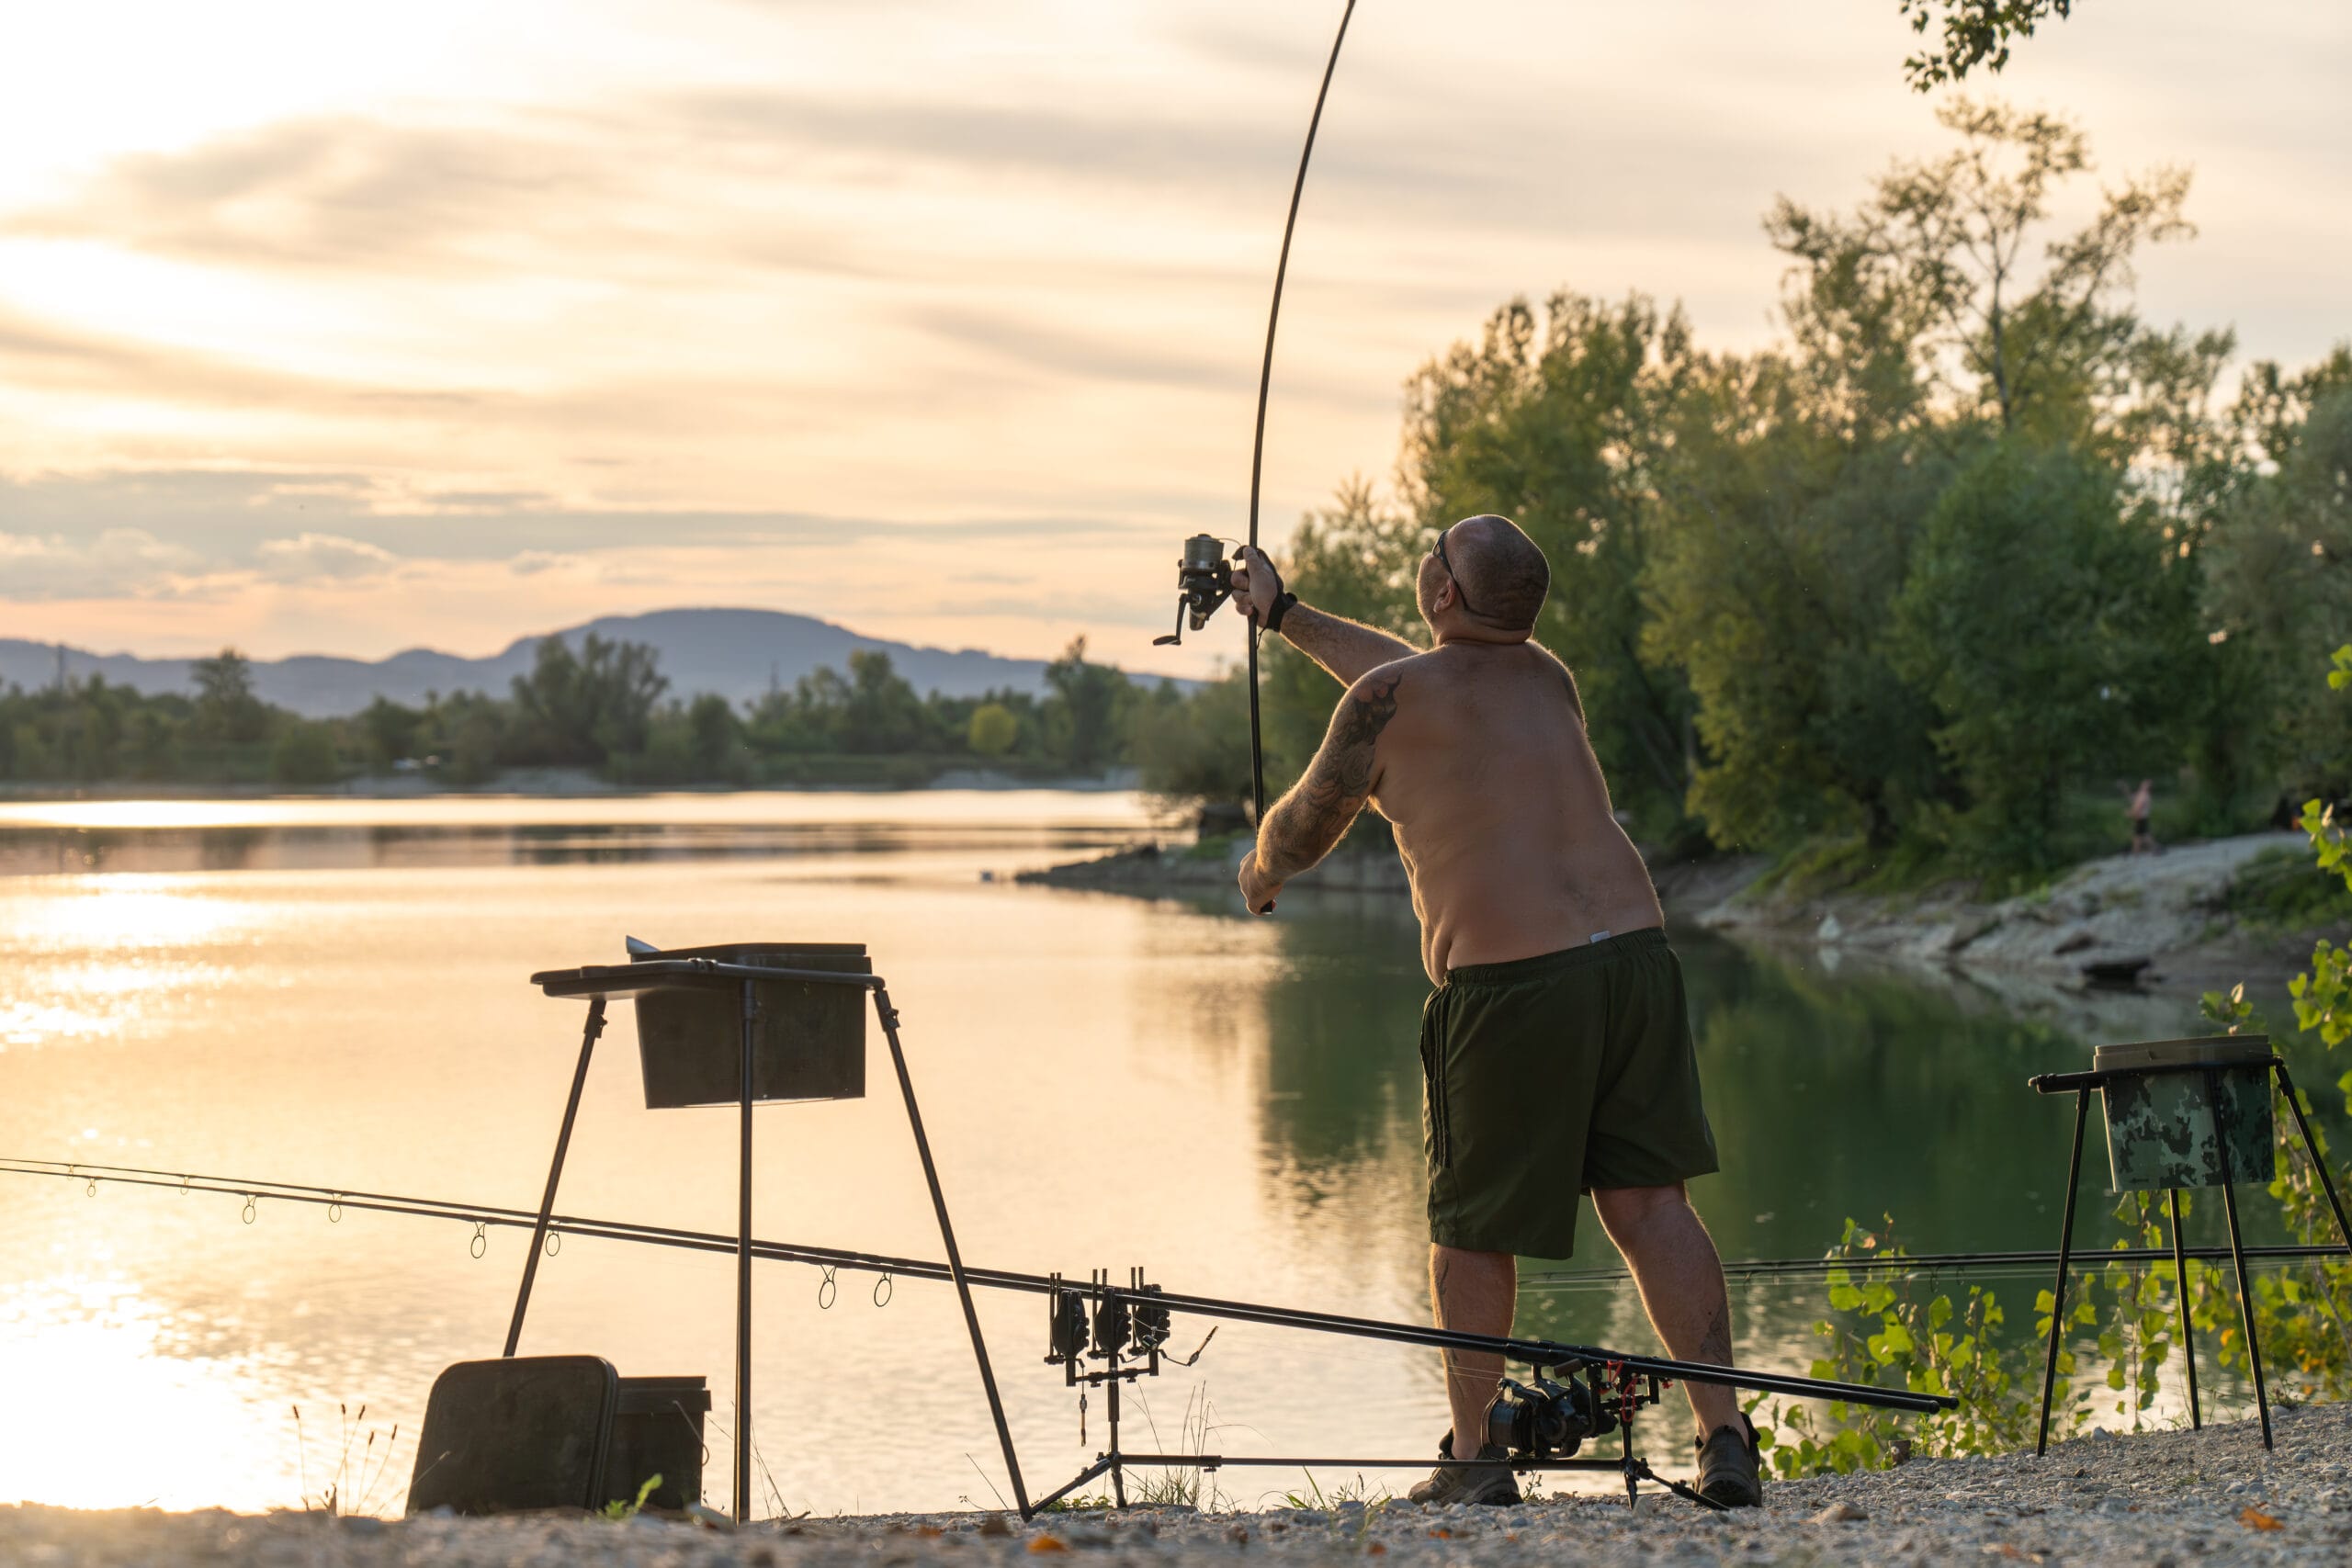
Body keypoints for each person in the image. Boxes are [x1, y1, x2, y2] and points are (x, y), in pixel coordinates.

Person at [1227, 515, 1758, 1508]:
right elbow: (1408, 675)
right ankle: (1726, 1438)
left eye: (1433, 554)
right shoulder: (1543, 677)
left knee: (1472, 1232)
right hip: (1635, 957)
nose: (1425, 562)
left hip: (1516, 986)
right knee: (1651, 1205)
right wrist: (1285, 614)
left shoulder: (1394, 703)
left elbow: (1310, 817)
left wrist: (1260, 871)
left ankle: (1476, 1460)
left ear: (1440, 593)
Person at [2127, 779, 2157, 855]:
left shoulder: (2144, 796)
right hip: (2141, 818)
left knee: (2141, 836)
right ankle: (2137, 852)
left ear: (2147, 787)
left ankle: (2136, 853)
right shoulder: (2142, 794)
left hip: (2141, 818)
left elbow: (2139, 806)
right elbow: (2132, 798)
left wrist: (2131, 813)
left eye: (2144, 784)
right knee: (2141, 836)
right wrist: (2125, 788)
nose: (2142, 784)